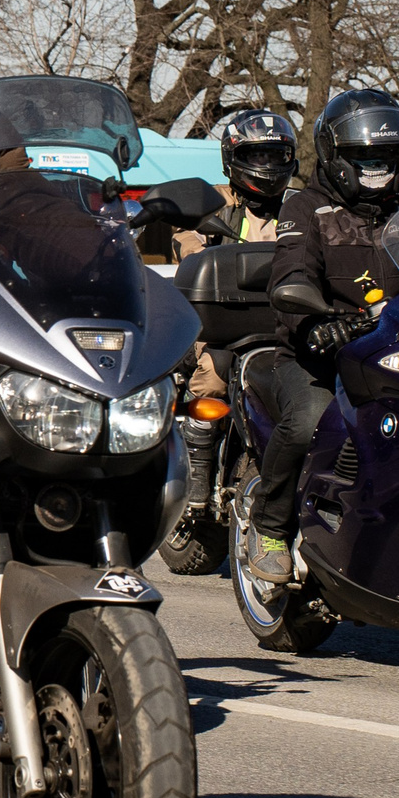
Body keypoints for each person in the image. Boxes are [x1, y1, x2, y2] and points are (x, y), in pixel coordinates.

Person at [241, 90, 399, 583]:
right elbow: (290, 274)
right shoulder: (306, 208)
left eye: (386, 156)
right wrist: (318, 321)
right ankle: (270, 527)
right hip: (316, 354)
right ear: (335, 156)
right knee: (307, 424)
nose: (376, 166)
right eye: (363, 155)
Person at [171, 109, 297, 514]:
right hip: (225, 321)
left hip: (285, 321)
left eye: (276, 157)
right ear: (233, 158)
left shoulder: (301, 206)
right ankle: (196, 484)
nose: (267, 167)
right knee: (212, 379)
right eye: (257, 157)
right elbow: (184, 235)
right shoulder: (216, 200)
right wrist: (199, 247)